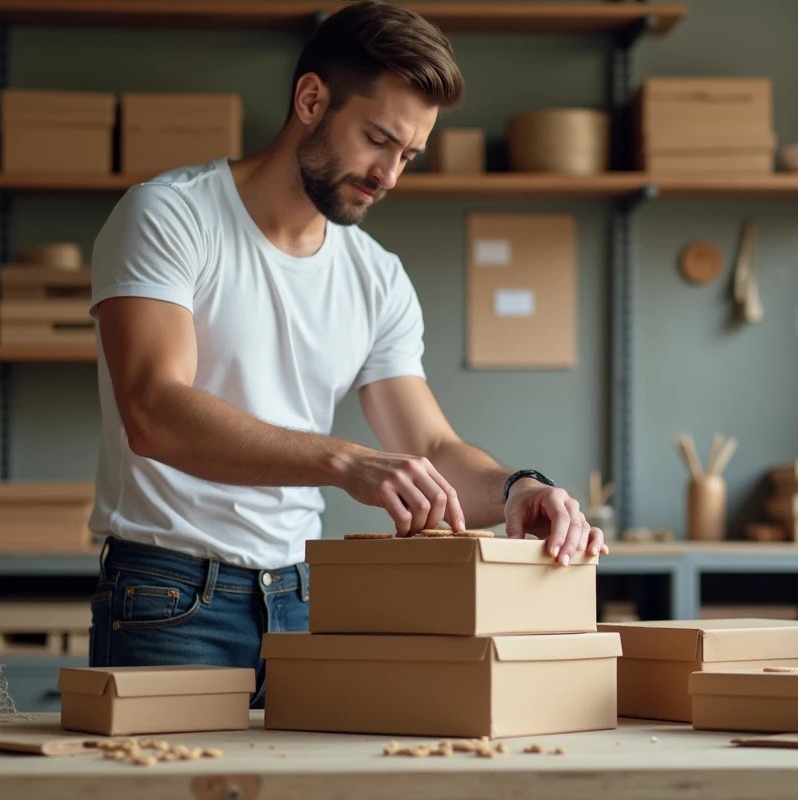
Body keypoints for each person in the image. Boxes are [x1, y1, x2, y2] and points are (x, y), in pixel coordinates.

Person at [85, 0, 607, 705]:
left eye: (408, 156)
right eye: (378, 140)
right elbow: (153, 410)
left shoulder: (376, 276)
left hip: (306, 601)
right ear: (311, 99)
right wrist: (344, 461)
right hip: (170, 597)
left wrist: (523, 490)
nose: (389, 174)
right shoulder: (169, 217)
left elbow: (429, 443)